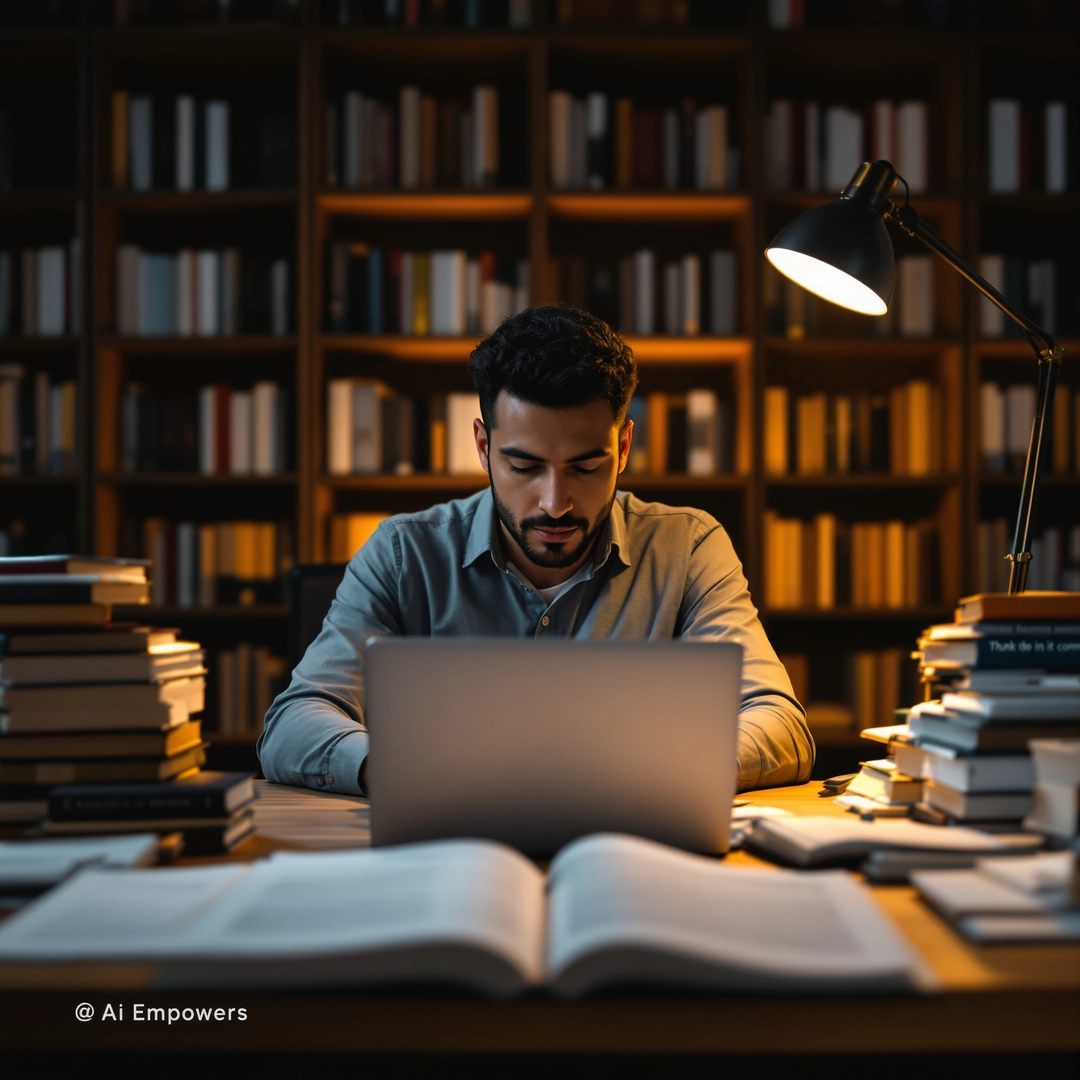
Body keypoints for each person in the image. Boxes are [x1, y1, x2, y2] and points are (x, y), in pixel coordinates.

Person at [258, 305, 813, 794]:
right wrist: (397, 769)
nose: (555, 503)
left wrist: (654, 769)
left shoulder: (688, 548)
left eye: (586, 467)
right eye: (524, 467)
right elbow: (294, 721)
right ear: (483, 445)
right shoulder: (404, 554)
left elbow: (780, 723)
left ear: (623, 447)